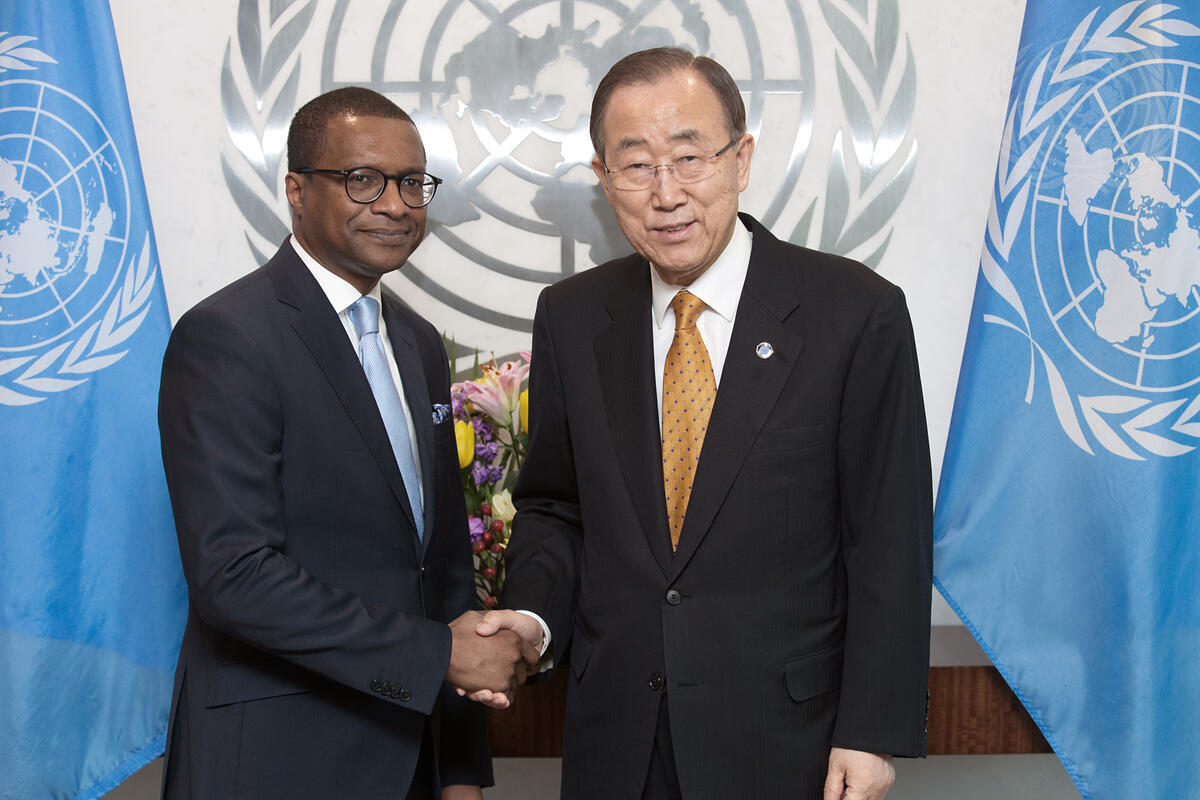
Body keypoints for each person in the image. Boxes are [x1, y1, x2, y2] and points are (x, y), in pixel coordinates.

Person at [476, 48, 933, 799]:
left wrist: (873, 730)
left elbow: (889, 538)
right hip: (617, 737)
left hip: (788, 742)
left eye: (690, 158)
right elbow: (556, 506)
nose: (667, 194)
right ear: (603, 180)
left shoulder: (855, 313)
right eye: (636, 165)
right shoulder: (573, 316)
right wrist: (532, 616)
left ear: (741, 159)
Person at [157, 87, 531, 800]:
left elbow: (444, 574)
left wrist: (460, 772)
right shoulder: (228, 337)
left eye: (412, 182)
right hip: (276, 761)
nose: (394, 204)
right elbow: (233, 576)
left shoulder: (418, 342)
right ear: (297, 191)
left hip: (412, 759)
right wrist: (434, 657)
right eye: (363, 179)